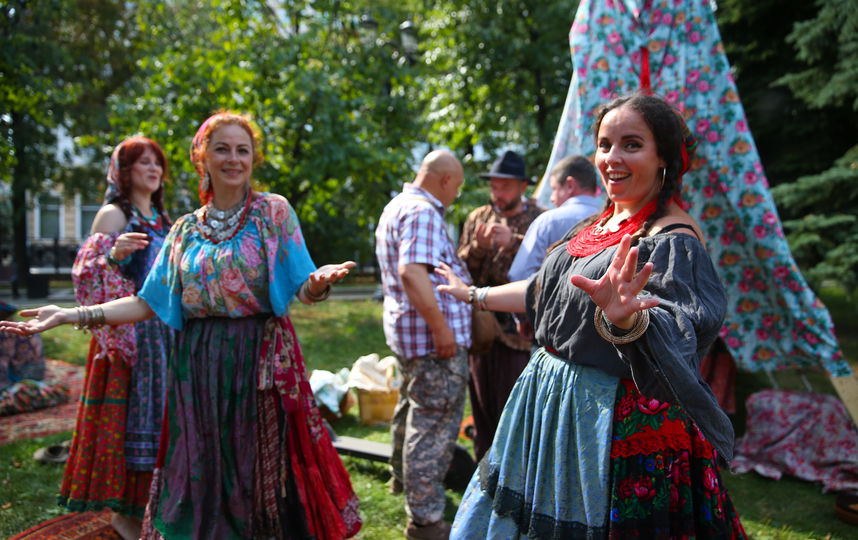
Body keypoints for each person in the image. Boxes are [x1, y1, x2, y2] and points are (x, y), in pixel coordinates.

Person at [0, 111, 361, 539]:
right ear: (202, 158)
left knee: (255, 475)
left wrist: (318, 284)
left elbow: (301, 285)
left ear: (253, 159)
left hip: (257, 364)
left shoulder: (272, 212)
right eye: (221, 149)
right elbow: (146, 302)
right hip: (197, 365)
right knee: (202, 472)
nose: (233, 159)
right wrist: (69, 316)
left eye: (242, 150)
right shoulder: (185, 231)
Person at [436, 93, 747, 538]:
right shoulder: (598, 224)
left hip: (612, 422)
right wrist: (475, 294)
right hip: (551, 402)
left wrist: (627, 322)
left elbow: (683, 331)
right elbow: (543, 290)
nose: (612, 158)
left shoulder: (671, 237)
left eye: (631, 144)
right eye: (604, 144)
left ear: (664, 159)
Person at [60, 136, 174, 540]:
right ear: (123, 172)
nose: (153, 169)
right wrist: (114, 256)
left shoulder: (163, 219)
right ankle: (127, 517)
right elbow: (85, 276)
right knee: (130, 426)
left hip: (165, 339)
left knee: (163, 424)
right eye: (143, 163)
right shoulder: (113, 215)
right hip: (129, 341)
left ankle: (155, 508)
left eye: (157, 163)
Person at [375, 149, 472, 540]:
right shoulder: (423, 212)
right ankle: (426, 520)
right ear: (446, 180)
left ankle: (402, 480)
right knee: (432, 426)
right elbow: (412, 272)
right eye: (459, 186)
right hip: (433, 342)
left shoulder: (396, 206)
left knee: (412, 409)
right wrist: (442, 328)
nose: (456, 195)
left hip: (410, 336)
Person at [456, 149, 543, 462]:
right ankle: (483, 482)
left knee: (517, 414)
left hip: (521, 335)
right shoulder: (478, 217)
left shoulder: (539, 218)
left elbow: (551, 267)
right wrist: (478, 248)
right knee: (482, 409)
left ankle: (517, 480)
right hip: (482, 330)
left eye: (505, 186)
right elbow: (461, 270)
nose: (498, 193)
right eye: (494, 186)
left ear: (522, 186)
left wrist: (515, 241)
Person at [507, 154, 601, 282]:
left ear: (570, 185)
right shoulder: (614, 220)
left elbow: (520, 275)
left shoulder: (548, 222)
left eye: (554, 189)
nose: (551, 198)